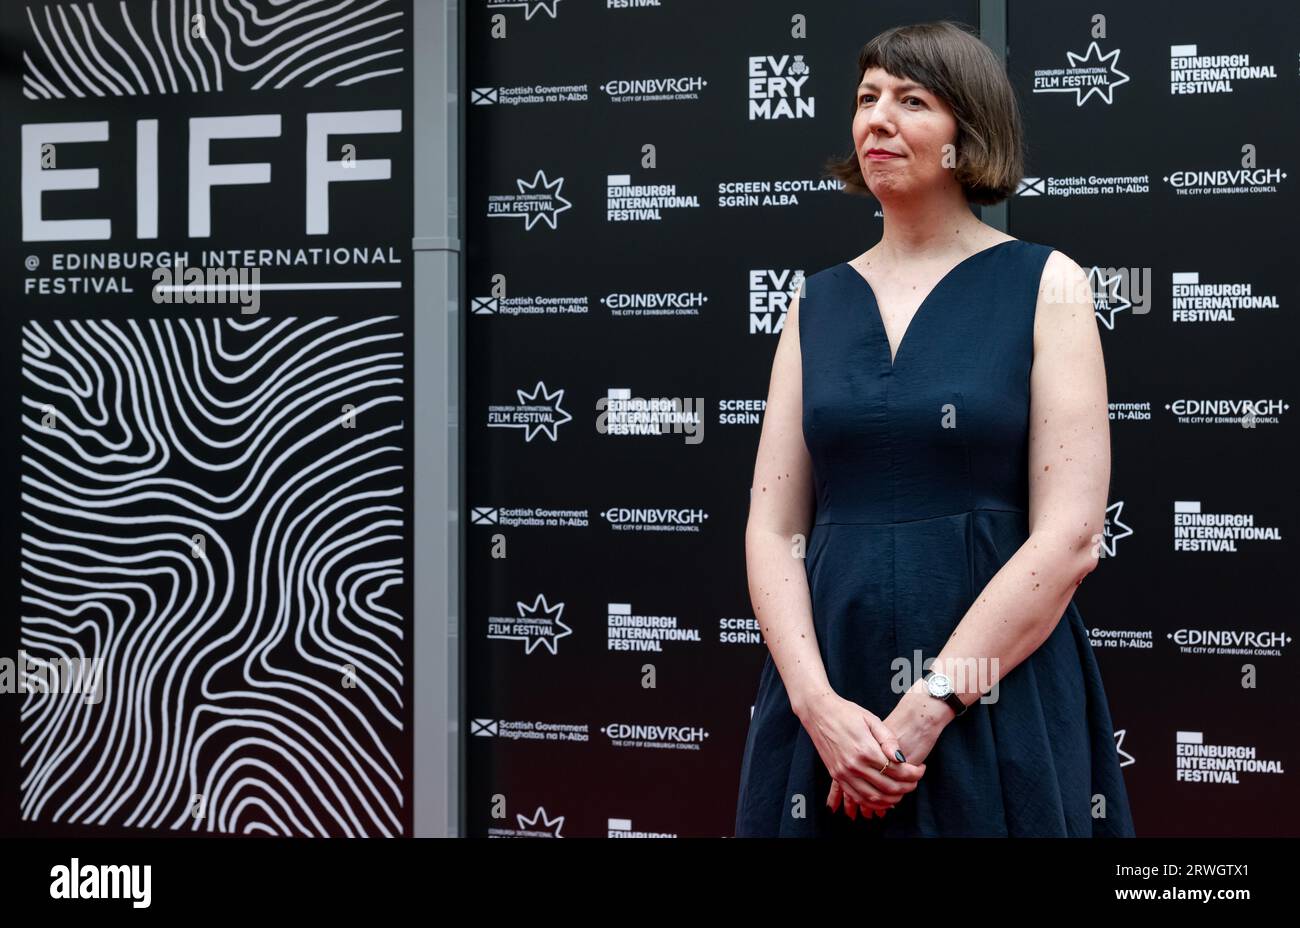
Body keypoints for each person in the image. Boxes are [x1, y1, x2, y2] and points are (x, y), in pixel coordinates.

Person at [734, 20, 1136, 837]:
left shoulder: (1047, 283)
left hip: (996, 696)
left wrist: (931, 705)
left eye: (911, 100)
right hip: (829, 700)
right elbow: (773, 529)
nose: (876, 119)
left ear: (969, 132)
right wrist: (819, 710)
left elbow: (1070, 538)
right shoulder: (815, 302)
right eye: (866, 98)